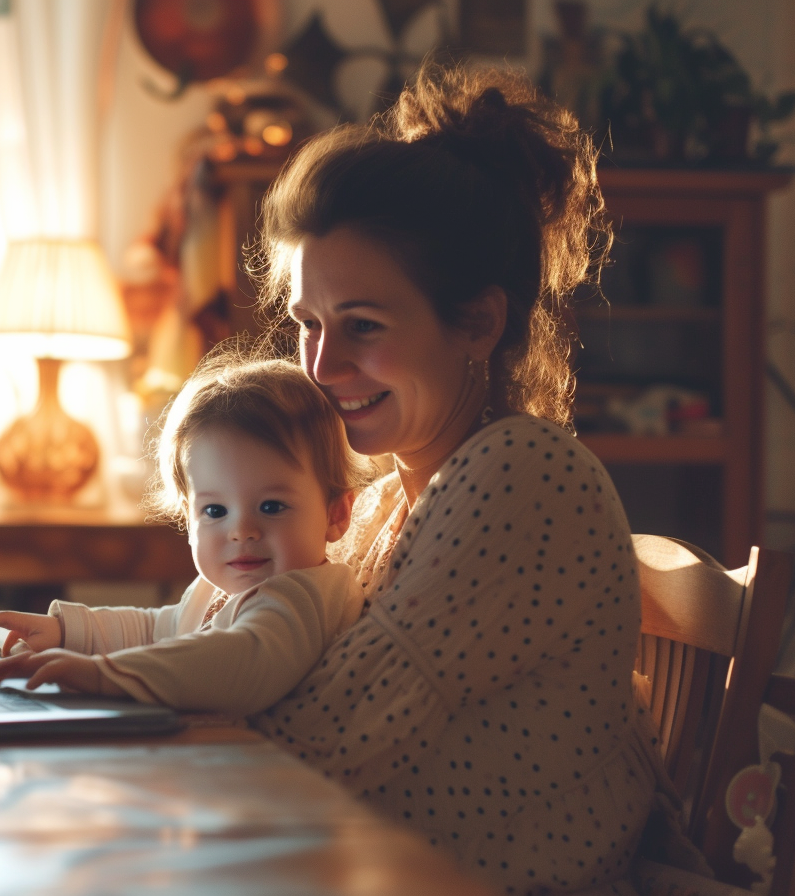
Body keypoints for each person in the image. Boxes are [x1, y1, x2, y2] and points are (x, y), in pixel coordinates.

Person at [242, 65, 662, 895]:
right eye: (307, 326)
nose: (321, 367)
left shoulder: (521, 477)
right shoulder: (386, 502)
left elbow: (318, 739)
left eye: (362, 326)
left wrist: (134, 701)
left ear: (477, 321)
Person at [0, 357, 372, 716]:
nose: (241, 531)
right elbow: (157, 630)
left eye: (271, 507)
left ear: (336, 513)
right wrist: (66, 632)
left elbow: (245, 661)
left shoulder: (305, 594)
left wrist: (103, 675)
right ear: (188, 517)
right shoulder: (216, 588)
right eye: (214, 511)